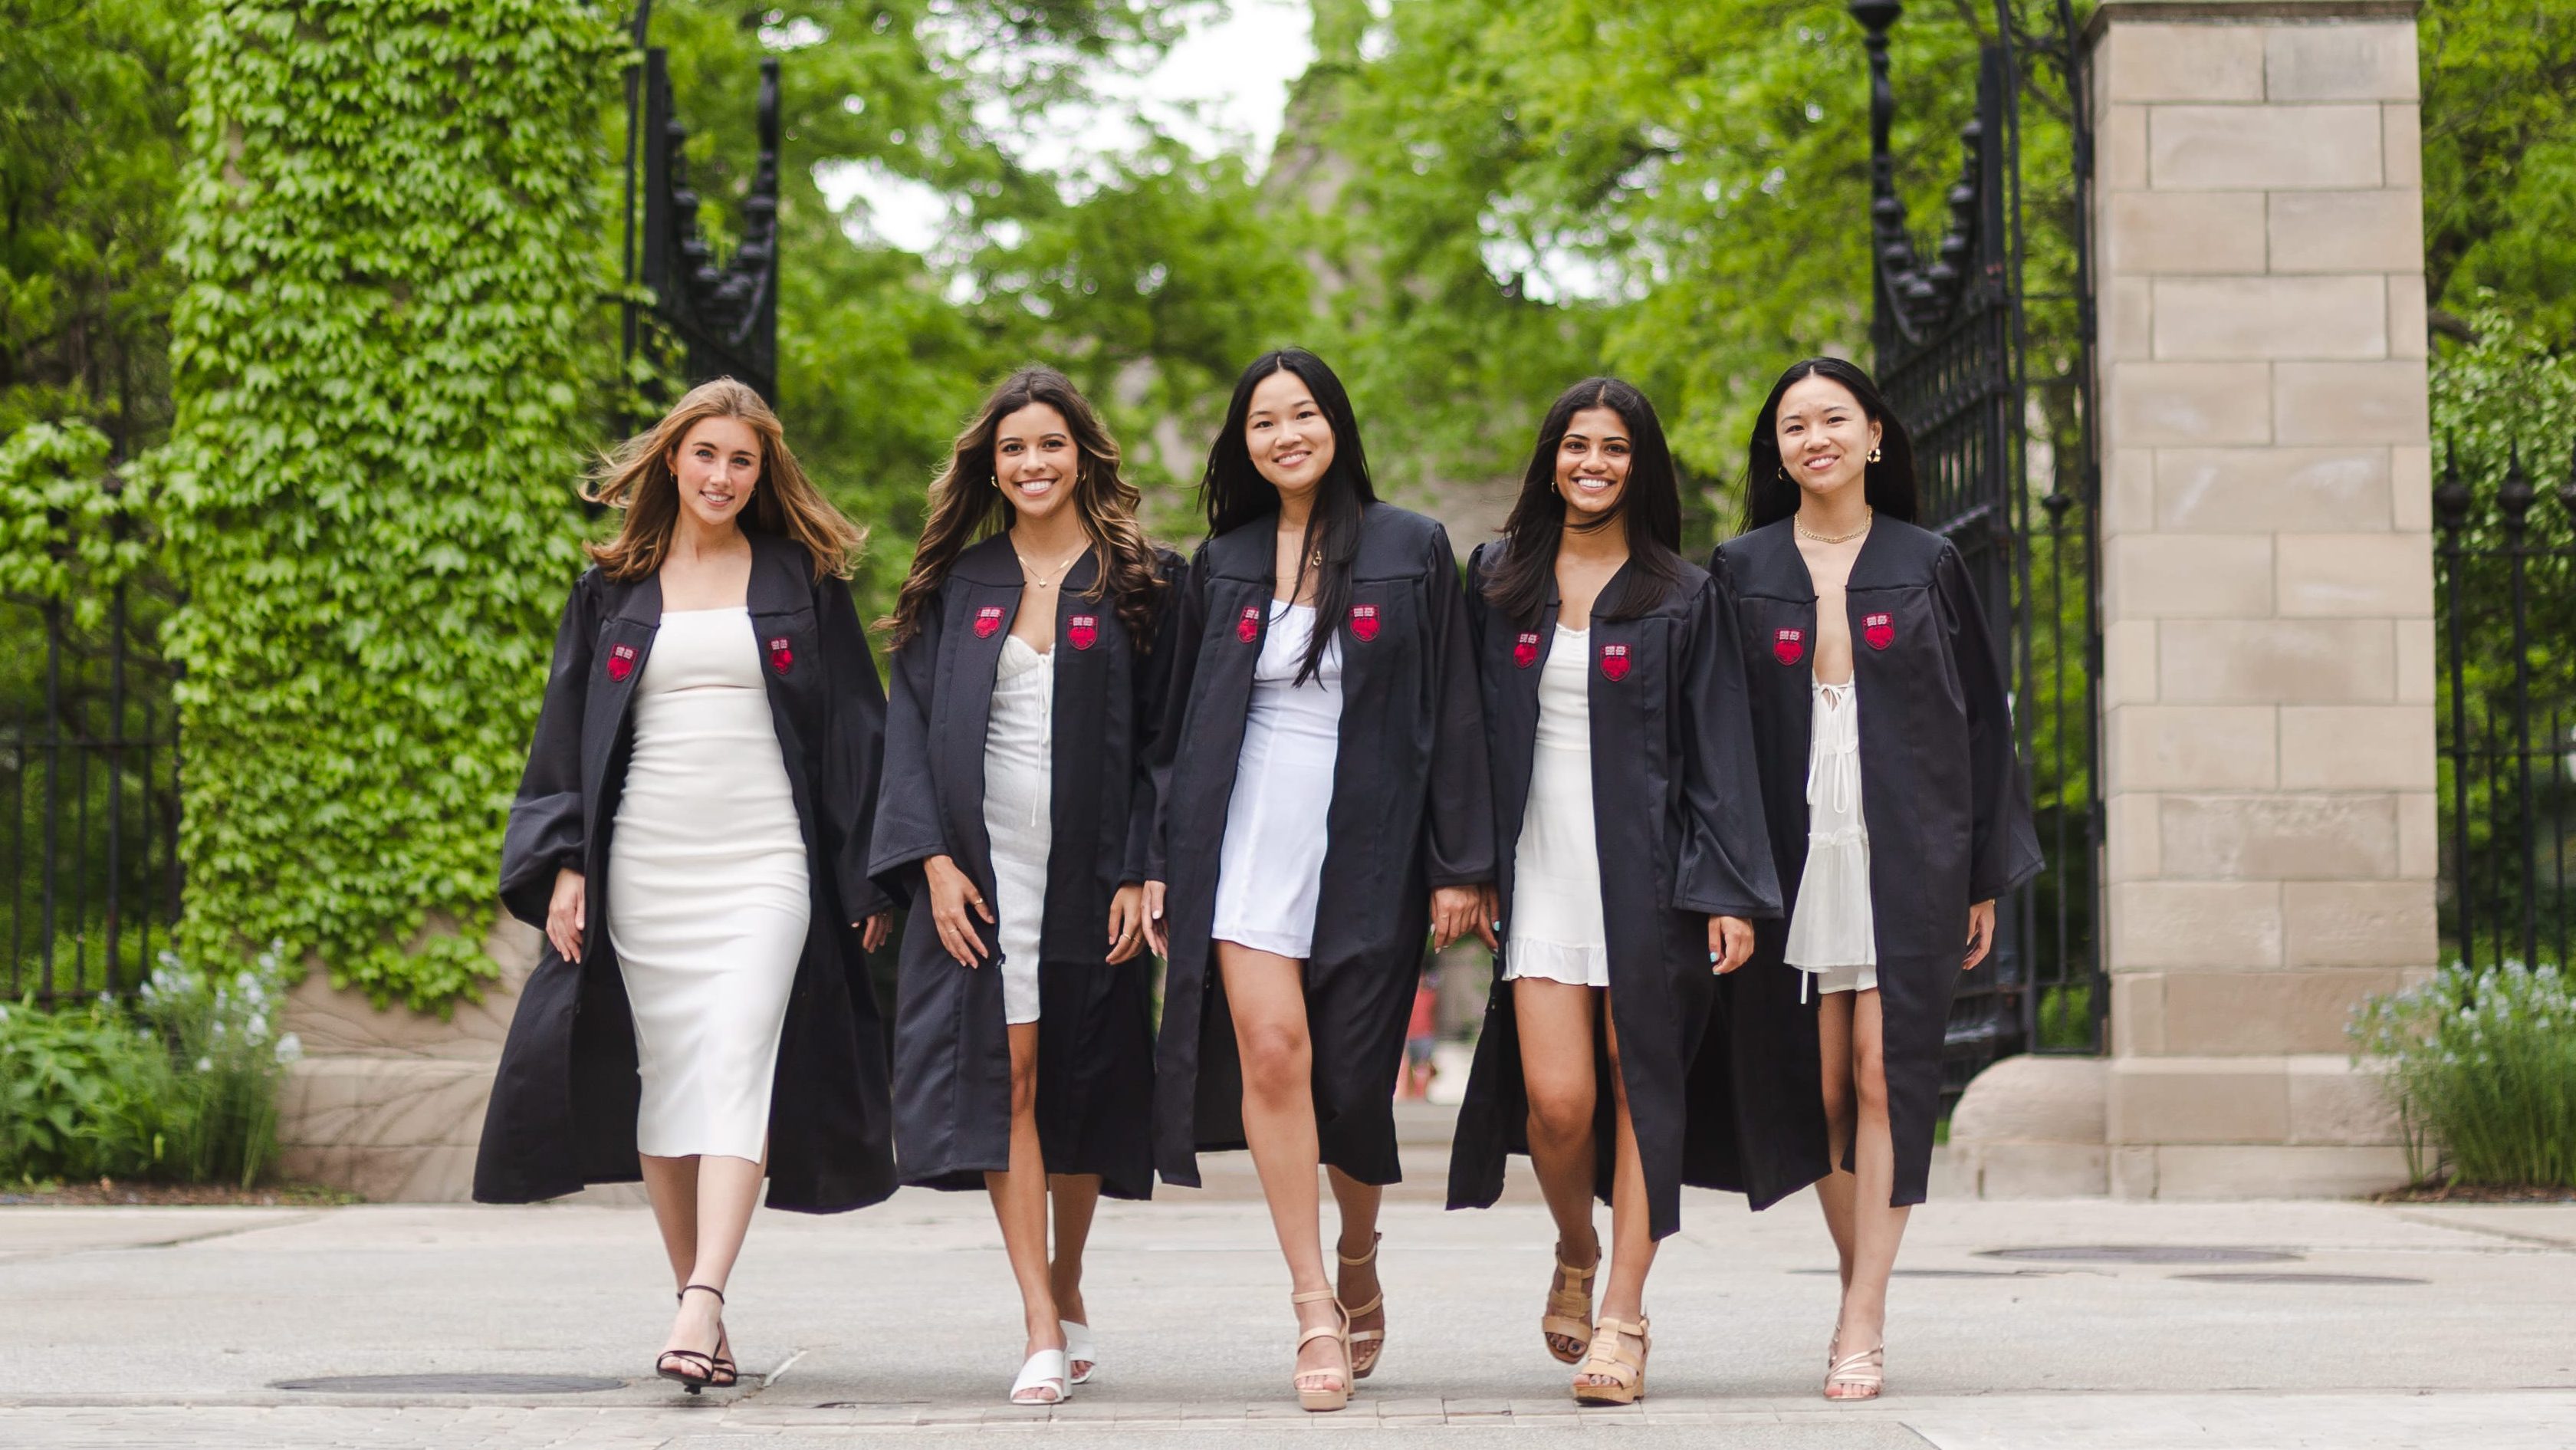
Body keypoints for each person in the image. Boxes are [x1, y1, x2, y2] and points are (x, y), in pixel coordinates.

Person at [478, 377, 899, 1394]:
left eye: (742, 460)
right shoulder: (612, 588)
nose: (722, 475)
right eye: (706, 454)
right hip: (647, 863)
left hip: (767, 861)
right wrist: (567, 862)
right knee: (668, 1078)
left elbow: (858, 730)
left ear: (762, 473)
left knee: (738, 1056)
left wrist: (868, 876)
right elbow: (565, 737)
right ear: (672, 459)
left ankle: (703, 1295)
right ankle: (697, 1311)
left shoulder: (801, 580)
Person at [1142, 347, 1494, 1412]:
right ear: (1243, 443)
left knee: (1350, 1078)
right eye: (1263, 422)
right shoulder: (1225, 559)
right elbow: (1173, 731)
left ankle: (1356, 1251)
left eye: (1302, 415)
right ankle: (1310, 1307)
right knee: (1274, 1052)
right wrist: (1158, 860)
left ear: (1336, 425)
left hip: (1369, 843)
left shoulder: (1409, 547)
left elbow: (1456, 708)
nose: (1285, 435)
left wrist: (1460, 863)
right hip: (1244, 831)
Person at [1444, 378, 1783, 1406]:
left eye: (1616, 448)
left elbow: (1721, 751)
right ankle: (1576, 1247)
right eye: (1577, 444)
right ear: (1551, 459)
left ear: (1642, 466)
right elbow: (1459, 731)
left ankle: (1624, 1320)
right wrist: (1463, 865)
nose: (1594, 463)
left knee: (1646, 1090)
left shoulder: (1683, 593)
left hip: (1653, 875)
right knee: (1558, 1106)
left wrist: (1727, 889)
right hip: (1541, 867)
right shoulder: (1497, 578)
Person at [1712, 357, 2042, 1401]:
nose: (1815, 438)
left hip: (1906, 840)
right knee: (1817, 1090)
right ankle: (1865, 1281)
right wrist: (1724, 872)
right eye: (1794, 425)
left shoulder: (1926, 560)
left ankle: (1861, 1315)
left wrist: (1980, 871)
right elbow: (1715, 732)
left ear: (1874, 436)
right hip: (1793, 844)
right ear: (1777, 451)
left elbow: (1980, 723)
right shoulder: (1740, 567)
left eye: (1833, 419)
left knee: (1881, 1073)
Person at [869, 366, 1172, 1406]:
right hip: (986, 862)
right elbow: (908, 731)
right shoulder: (958, 585)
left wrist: (1141, 864)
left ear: (1082, 455)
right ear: (989, 466)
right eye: (1013, 448)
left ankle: (1068, 1275)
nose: (1032, 462)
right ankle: (1040, 1319)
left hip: (1093, 866)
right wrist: (931, 862)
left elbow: (1164, 744)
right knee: (1014, 1077)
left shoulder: (1141, 582)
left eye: (1050, 444)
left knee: (1082, 1073)